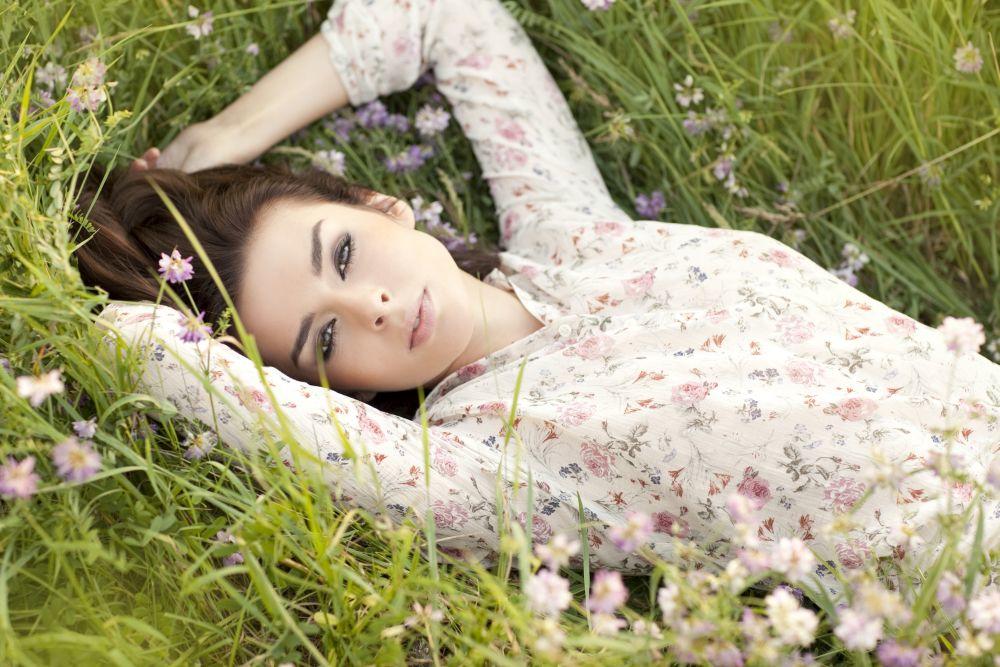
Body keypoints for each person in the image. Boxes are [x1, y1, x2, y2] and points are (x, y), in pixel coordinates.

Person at [76, 0, 1000, 602]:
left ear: (380, 201)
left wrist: (228, 135)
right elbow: (141, 345)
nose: (375, 306)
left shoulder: (570, 235)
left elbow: (445, 15)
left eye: (345, 253)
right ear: (335, 390)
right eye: (324, 338)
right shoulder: (484, 463)